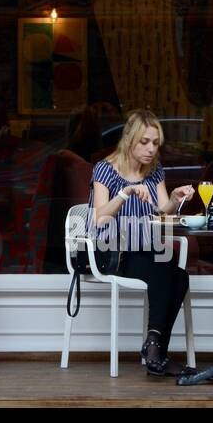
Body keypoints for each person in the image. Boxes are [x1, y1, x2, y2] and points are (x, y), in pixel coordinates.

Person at [87, 108, 195, 377]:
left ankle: (155, 348)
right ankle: (156, 353)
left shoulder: (154, 171)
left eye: (155, 143)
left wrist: (174, 198)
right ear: (130, 139)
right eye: (144, 142)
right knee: (164, 267)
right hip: (112, 251)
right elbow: (99, 218)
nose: (150, 149)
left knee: (180, 276)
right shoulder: (105, 169)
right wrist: (125, 192)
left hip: (143, 249)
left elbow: (161, 213)